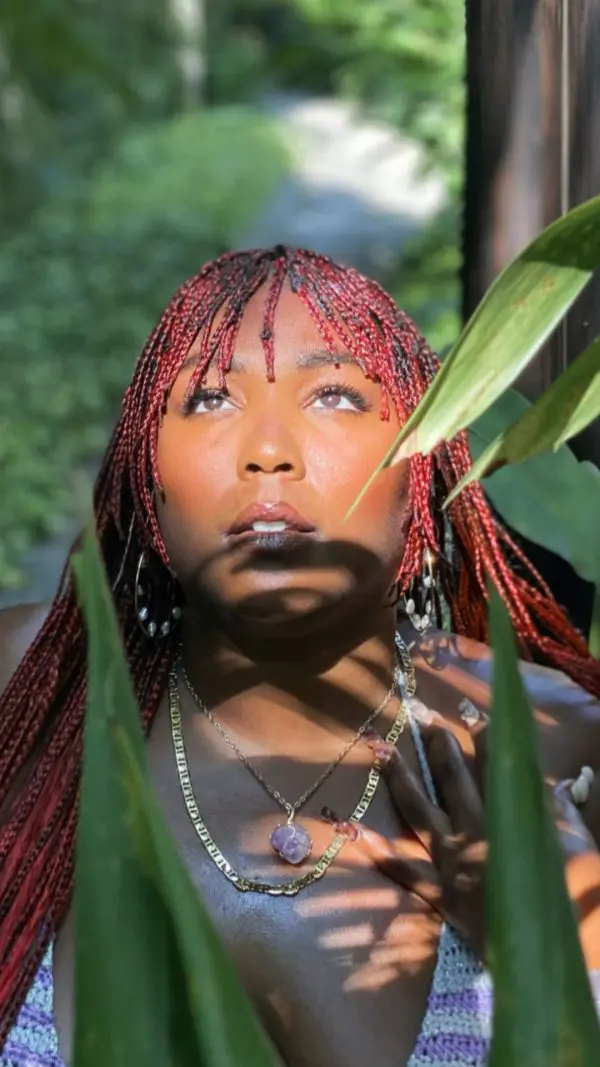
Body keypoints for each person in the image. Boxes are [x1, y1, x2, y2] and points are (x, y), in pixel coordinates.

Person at [1, 244, 599, 1067]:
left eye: (335, 395)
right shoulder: (26, 694)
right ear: (145, 475)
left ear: (422, 468)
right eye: (211, 397)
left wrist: (574, 953)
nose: (268, 450)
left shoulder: (556, 743)